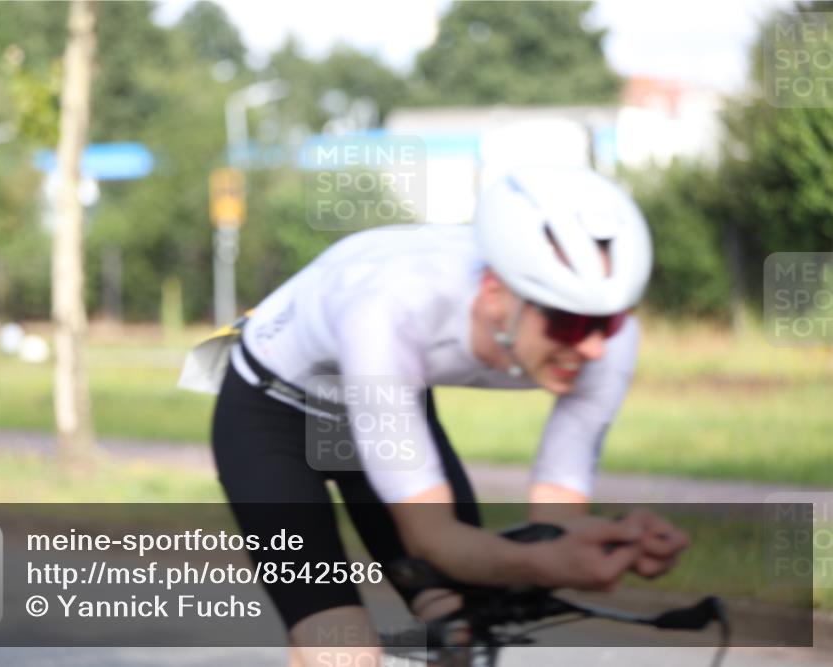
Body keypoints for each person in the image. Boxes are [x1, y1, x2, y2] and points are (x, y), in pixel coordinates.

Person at [198, 166, 689, 666]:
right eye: (568, 320)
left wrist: (610, 541)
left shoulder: (604, 342)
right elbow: (431, 540)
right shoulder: (390, 312)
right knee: (342, 649)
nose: (590, 346)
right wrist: (543, 559)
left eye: (608, 321)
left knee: (461, 630)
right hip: (272, 416)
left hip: (389, 399)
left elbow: (554, 526)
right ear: (497, 294)